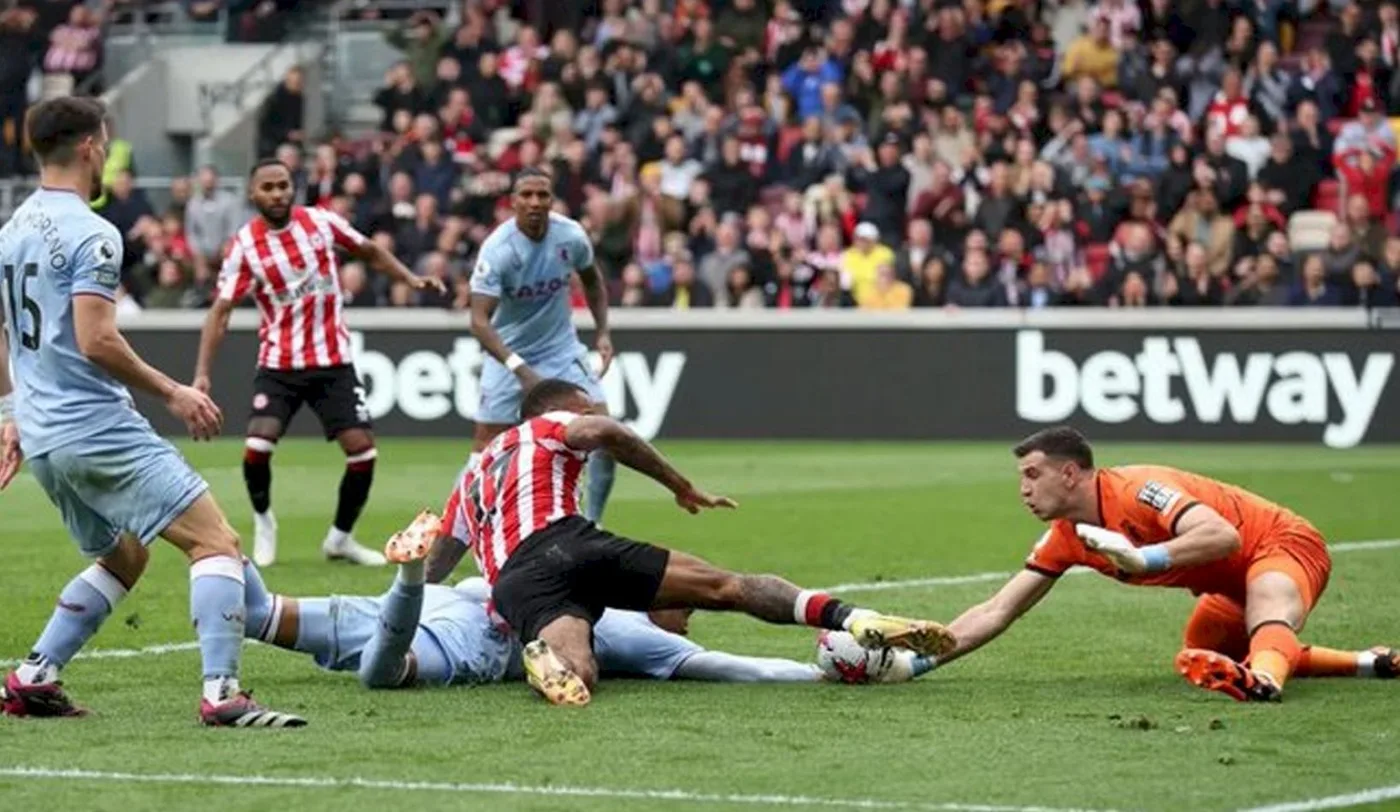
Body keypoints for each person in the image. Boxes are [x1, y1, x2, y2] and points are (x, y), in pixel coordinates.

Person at [0, 96, 303, 726]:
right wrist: (175, 393)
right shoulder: (93, 232)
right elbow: (97, 339)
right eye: (105, 140)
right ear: (88, 147)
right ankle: (222, 695)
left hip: (45, 437)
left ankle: (34, 676)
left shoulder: (11, 230)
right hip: (95, 426)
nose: (107, 150)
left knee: (126, 553)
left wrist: (11, 412)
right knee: (214, 540)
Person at [429, 378, 955, 706]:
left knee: (580, 677)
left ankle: (546, 658)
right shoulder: (551, 423)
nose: (590, 414)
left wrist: (406, 612)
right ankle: (851, 618)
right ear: (561, 408)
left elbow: (437, 565)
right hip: (567, 540)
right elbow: (607, 434)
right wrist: (680, 485)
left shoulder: (470, 474)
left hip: (517, 583)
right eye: (585, 407)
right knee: (726, 586)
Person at [920, 426, 1398, 702]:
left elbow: (1222, 536)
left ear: (1069, 474)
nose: (1023, 489)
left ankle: (1267, 685)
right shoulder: (1067, 537)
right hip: (1227, 585)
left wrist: (1143, 558)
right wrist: (917, 661)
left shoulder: (1140, 488)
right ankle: (1369, 663)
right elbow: (997, 610)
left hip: (1281, 544)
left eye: (1032, 475)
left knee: (1267, 607)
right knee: (1200, 656)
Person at [242, 511, 883, 688]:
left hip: (459, 626)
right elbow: (724, 664)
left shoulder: (641, 636)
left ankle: (410, 585)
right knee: (263, 614)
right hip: (468, 615)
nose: (684, 619)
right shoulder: (642, 630)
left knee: (373, 667)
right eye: (682, 613)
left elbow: (719, 663)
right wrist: (809, 672)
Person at [193, 158, 446, 568]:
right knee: (257, 446)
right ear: (253, 194)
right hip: (279, 363)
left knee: (362, 452)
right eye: (268, 187)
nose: (277, 193)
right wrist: (202, 373)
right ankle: (264, 521)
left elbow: (368, 249)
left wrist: (409, 279)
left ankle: (340, 539)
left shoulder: (320, 223)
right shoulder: (245, 245)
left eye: (283, 185)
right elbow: (220, 311)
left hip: (332, 361)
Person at [467, 167, 617, 524]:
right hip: (508, 355)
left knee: (607, 436)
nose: (535, 203)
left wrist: (604, 332)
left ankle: (590, 524)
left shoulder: (571, 236)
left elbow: (593, 283)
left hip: (561, 351)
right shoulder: (498, 250)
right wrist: (519, 368)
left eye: (542, 195)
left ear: (552, 200)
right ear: (513, 201)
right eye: (527, 195)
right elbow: (478, 321)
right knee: (485, 451)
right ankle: (470, 530)